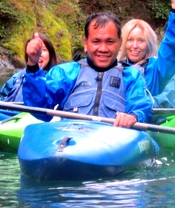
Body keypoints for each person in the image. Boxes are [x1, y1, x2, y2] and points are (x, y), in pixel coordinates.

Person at [23, 12, 153, 127]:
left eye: (110, 42)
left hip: (112, 143)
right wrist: (32, 65)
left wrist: (134, 116)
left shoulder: (131, 77)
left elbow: (141, 108)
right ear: (86, 43)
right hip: (70, 140)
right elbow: (40, 109)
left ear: (120, 43)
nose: (103, 49)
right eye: (96, 41)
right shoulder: (65, 73)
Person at [0, 33, 59, 102]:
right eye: (34, 50)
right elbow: (2, 96)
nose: (38, 54)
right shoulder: (18, 76)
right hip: (6, 111)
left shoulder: (56, 78)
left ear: (50, 55)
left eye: (43, 50)